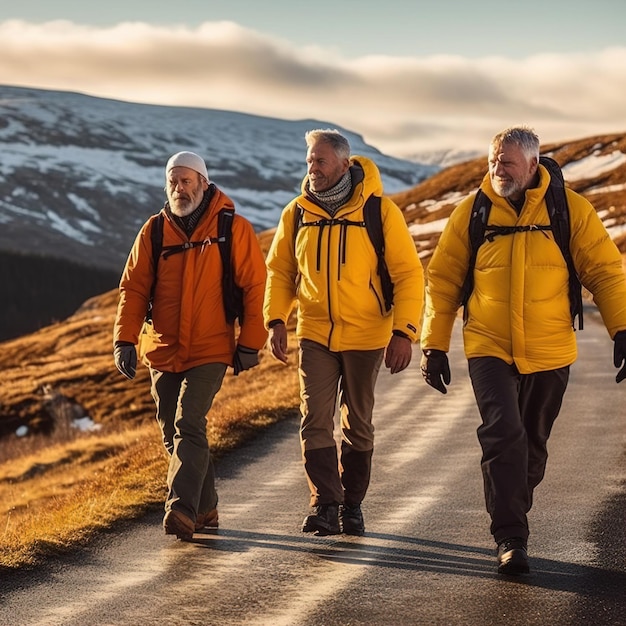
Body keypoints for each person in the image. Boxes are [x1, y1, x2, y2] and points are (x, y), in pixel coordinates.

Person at [420, 126, 626, 575]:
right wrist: (433, 346)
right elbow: (443, 281)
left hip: (550, 350)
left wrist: (621, 328)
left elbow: (607, 272)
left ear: (532, 165)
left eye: (507, 161)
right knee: (503, 433)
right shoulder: (472, 212)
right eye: (493, 159)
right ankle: (511, 536)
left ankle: (512, 500)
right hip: (488, 346)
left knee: (532, 446)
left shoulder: (569, 210)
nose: (497, 168)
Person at [264, 129, 424, 536]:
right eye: (309, 161)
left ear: (343, 165)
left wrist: (404, 332)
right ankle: (324, 503)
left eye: (319, 161)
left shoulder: (380, 212)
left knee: (358, 423)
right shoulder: (297, 213)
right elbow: (281, 271)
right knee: (313, 416)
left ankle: (352, 503)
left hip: (368, 335)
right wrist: (276, 319)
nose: (311, 169)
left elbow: (408, 275)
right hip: (316, 333)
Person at [113, 151, 267, 540]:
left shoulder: (233, 229)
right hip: (162, 349)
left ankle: (180, 509)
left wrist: (250, 342)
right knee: (172, 431)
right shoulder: (154, 231)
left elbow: (255, 288)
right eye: (173, 181)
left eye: (186, 180)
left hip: (210, 348)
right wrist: (124, 339)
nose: (179, 188)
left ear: (203, 182)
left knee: (187, 422)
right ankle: (206, 507)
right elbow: (132, 289)